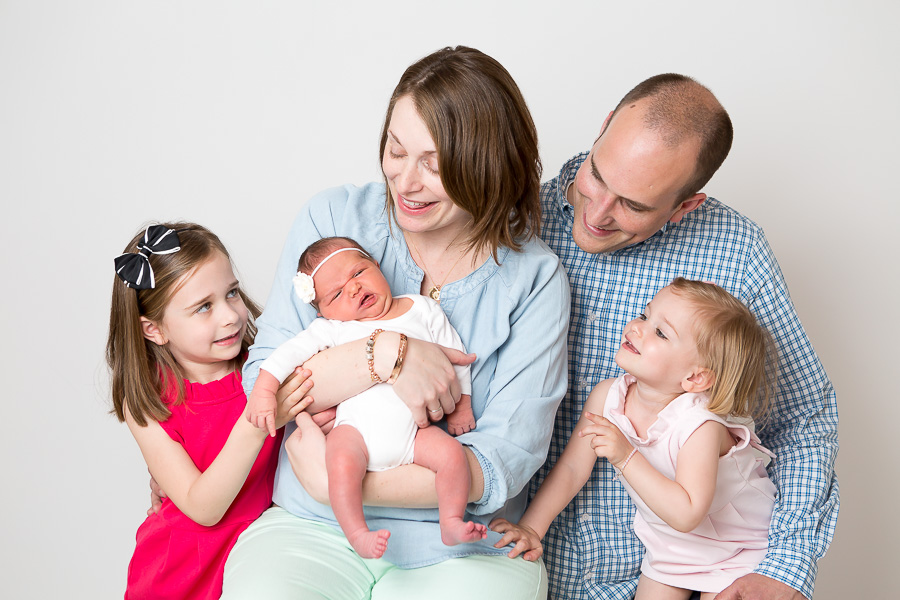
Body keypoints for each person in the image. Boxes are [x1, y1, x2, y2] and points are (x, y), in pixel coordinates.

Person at [221, 46, 570, 599]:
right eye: (395, 150)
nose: (405, 182)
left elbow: (504, 459)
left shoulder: (535, 278)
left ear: (488, 163)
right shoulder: (333, 221)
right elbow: (268, 379)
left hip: (464, 548)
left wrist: (332, 479)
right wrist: (385, 356)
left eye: (433, 164)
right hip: (315, 528)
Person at [535, 74, 839, 600]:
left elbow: (803, 418)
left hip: (680, 578)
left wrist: (785, 569)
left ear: (685, 205)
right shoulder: (512, 219)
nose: (599, 212)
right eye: (597, 175)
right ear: (604, 126)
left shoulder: (737, 253)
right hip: (520, 567)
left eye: (634, 205)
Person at [493, 279, 779, 599]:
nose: (637, 327)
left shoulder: (700, 426)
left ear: (695, 377)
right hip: (671, 547)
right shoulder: (608, 397)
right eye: (645, 315)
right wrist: (532, 528)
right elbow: (573, 468)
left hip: (738, 549)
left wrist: (626, 456)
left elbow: (687, 512)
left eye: (660, 332)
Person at [246, 236, 486, 559]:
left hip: (415, 435)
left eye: (357, 273)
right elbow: (286, 355)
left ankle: (451, 520)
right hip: (355, 432)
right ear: (324, 310)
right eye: (336, 293)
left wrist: (462, 405)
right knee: (339, 466)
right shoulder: (333, 329)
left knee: (453, 457)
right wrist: (264, 389)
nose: (354, 289)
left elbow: (455, 357)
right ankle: (357, 532)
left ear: (375, 264)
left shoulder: (421, 309)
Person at [107, 223, 312, 599]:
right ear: (154, 330)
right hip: (181, 572)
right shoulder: (147, 401)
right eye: (204, 307)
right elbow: (203, 507)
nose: (231, 315)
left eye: (231, 293)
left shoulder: (265, 368)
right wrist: (260, 419)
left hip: (266, 556)